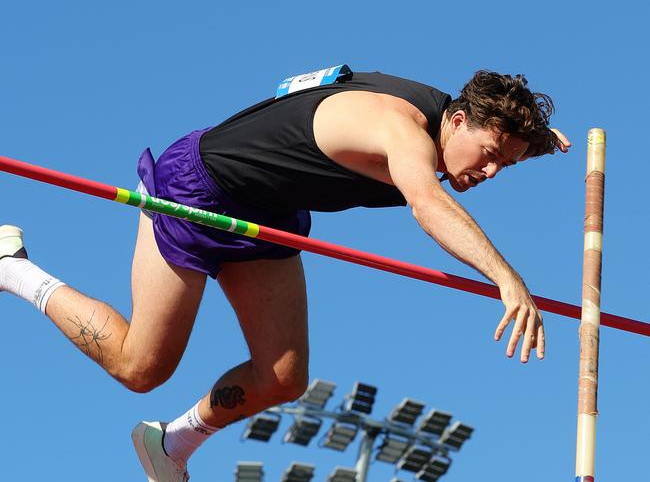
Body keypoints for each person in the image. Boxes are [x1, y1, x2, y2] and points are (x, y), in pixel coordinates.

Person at [0, 67, 570, 481]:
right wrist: (505, 277)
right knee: (140, 366)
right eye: (491, 153)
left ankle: (169, 444)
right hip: (198, 187)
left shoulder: (448, 112)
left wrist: (536, 141)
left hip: (266, 213)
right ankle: (13, 269)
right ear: (460, 119)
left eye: (507, 165)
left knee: (283, 378)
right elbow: (427, 205)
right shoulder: (400, 130)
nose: (492, 171)